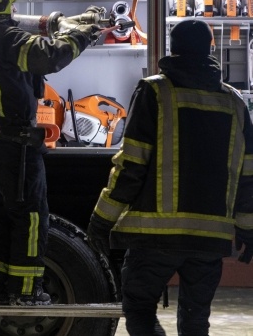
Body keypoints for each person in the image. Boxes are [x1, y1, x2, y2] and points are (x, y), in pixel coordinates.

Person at [87, 18, 253, 335]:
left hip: (155, 239)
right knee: (195, 321)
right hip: (209, 240)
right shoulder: (234, 102)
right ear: (210, 49)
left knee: (139, 311)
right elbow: (248, 173)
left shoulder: (154, 91)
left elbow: (132, 164)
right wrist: (248, 229)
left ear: (172, 49)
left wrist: (102, 219)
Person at [0, 0, 101, 306]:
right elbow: (48, 57)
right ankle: (25, 292)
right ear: (0, 2)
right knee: (30, 217)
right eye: (11, 3)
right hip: (14, 144)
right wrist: (83, 35)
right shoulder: (5, 38)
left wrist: (68, 22)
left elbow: (31, 41)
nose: (14, 9)